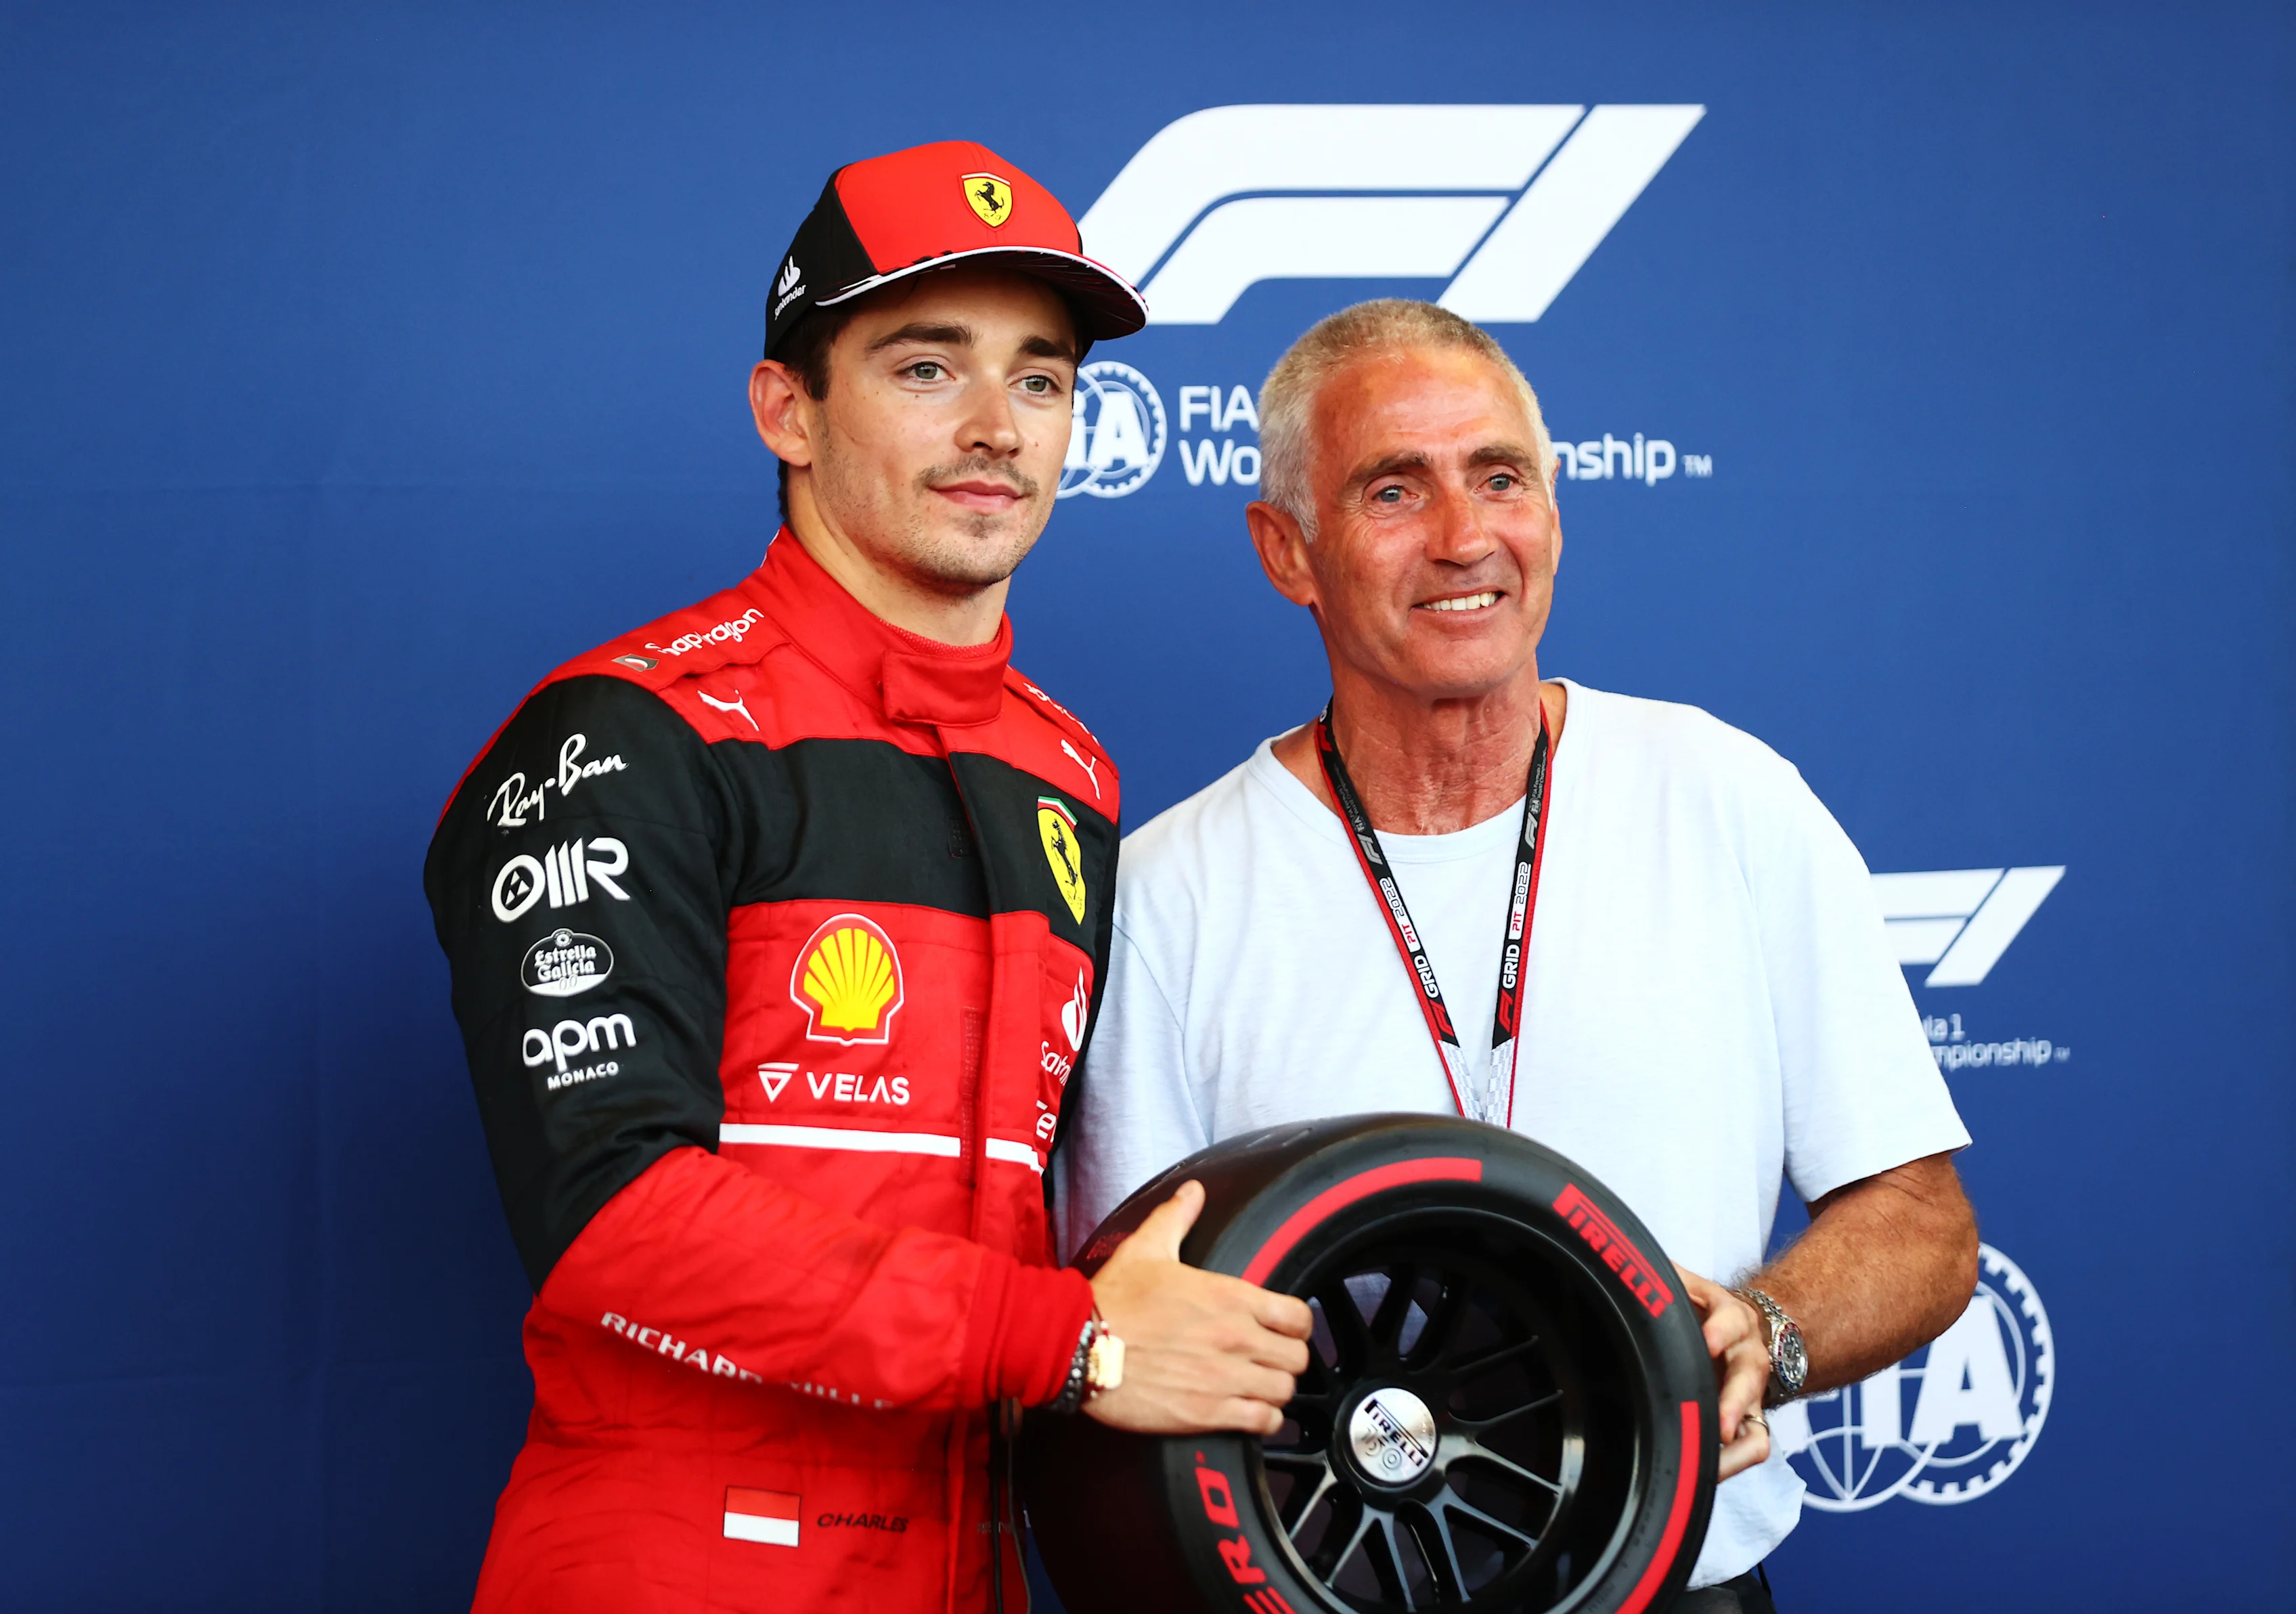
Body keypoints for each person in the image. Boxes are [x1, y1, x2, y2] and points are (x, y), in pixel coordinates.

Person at [424, 140, 1310, 1614]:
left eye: (1039, 378)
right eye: (923, 368)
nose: (995, 429)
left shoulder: (1066, 775)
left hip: (974, 1561)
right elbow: (616, 1217)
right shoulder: (633, 733)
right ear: (788, 407)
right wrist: (1074, 1343)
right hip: (677, 1566)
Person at [1057, 299, 1979, 1611]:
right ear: (1287, 550)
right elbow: (1141, 1325)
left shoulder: (1726, 797)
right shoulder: (1168, 891)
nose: (1463, 536)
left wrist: (1762, 1336)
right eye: (1393, 489)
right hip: (1335, 1582)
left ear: (1552, 506)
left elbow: (1919, 1222)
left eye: (1500, 477)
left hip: (1681, 1581)